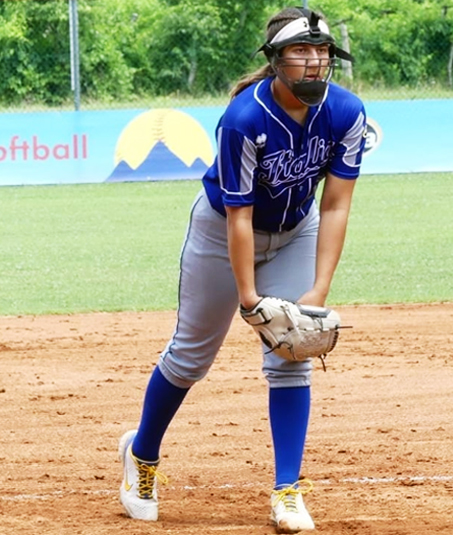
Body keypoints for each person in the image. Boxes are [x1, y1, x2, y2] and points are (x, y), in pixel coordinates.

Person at [117, 6, 366, 533]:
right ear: (276, 60)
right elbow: (239, 215)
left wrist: (317, 292)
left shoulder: (347, 112)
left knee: (291, 353)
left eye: (322, 52)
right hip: (222, 233)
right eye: (300, 51)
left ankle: (287, 490)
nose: (314, 61)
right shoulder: (244, 119)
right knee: (189, 357)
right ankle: (141, 456)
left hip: (296, 231)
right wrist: (250, 300)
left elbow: (337, 206)